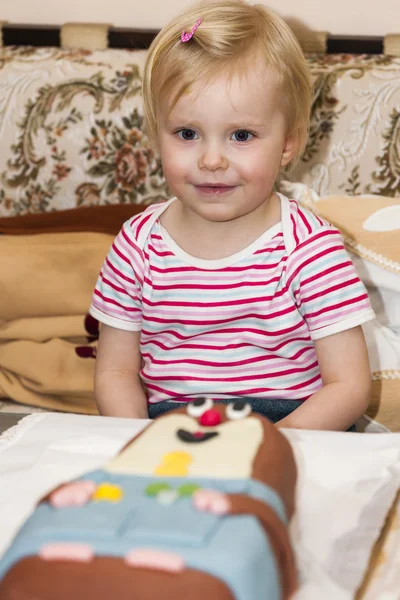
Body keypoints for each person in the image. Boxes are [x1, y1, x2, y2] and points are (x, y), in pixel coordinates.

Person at [89, 0, 375, 430]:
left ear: (287, 143)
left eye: (241, 135)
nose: (211, 160)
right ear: (156, 135)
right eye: (187, 134)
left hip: (296, 425)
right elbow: (115, 372)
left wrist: (274, 446)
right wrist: (136, 440)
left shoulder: (310, 249)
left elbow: (348, 386)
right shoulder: (137, 246)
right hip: (171, 425)